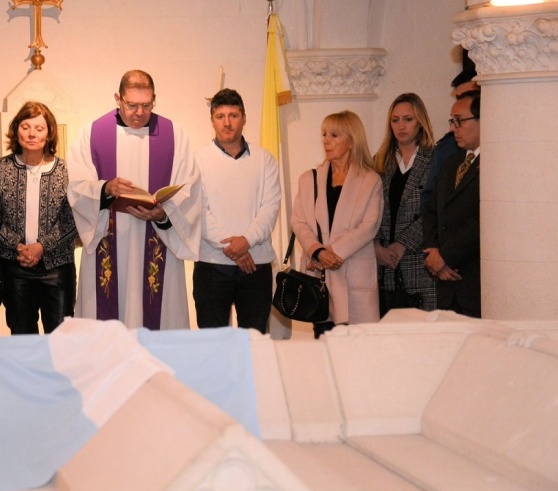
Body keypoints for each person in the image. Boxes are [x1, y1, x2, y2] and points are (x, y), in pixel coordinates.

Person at [67, 70, 201, 330]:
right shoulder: (93, 133)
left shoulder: (174, 135)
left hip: (158, 239)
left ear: (154, 99)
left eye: (146, 105)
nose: (139, 112)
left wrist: (164, 213)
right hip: (109, 237)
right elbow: (76, 187)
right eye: (132, 105)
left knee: (157, 320)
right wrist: (105, 189)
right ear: (118, 99)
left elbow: (190, 188)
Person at [0, 102, 77, 334]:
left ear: (49, 133)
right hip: (15, 267)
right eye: (25, 127)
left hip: (58, 268)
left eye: (39, 128)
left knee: (60, 339)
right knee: (22, 339)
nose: (32, 134)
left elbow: (73, 220)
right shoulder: (0, 168)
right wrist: (18, 247)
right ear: (16, 130)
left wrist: (41, 246)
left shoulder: (66, 171)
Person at [193, 89, 280, 333]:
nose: (227, 123)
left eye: (233, 115)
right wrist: (235, 249)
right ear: (212, 120)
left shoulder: (264, 160)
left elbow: (270, 207)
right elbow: (198, 211)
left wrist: (247, 241)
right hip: (212, 265)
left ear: (244, 118)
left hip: (256, 266)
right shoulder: (197, 160)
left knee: (254, 343)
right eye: (220, 116)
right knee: (213, 345)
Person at [290, 111, 383, 338]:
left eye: (333, 135)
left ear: (351, 141)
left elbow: (369, 226)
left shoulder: (370, 181)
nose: (326, 141)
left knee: (357, 350)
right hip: (319, 282)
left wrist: (332, 253)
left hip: (354, 277)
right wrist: (318, 252)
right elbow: (298, 221)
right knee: (324, 349)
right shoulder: (308, 179)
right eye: (324, 134)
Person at [373, 93, 437, 314]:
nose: (401, 126)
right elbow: (367, 209)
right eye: (395, 120)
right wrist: (376, 246)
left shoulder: (435, 159)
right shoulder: (380, 161)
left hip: (419, 263)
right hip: (384, 266)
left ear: (421, 122)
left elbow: (435, 210)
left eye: (408, 119)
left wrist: (403, 244)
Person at [423, 90, 482, 317]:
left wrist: (445, 257)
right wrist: (434, 254)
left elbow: (481, 221)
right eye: (452, 121)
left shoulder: (496, 163)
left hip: (473, 280)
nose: (452, 128)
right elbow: (432, 211)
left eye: (459, 121)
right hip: (446, 283)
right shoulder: (451, 163)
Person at [420, 62, 479, 211]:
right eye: (459, 98)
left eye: (469, 95)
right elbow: (430, 198)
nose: (463, 101)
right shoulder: (447, 148)